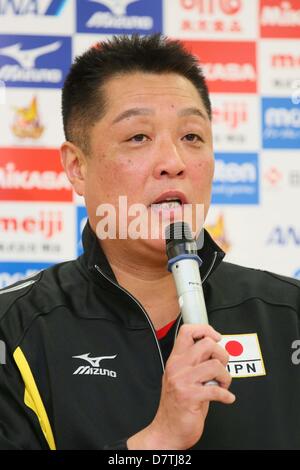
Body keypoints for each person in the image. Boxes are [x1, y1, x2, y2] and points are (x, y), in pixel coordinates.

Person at [0, 34, 299, 451]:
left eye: (192, 137)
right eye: (139, 137)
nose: (173, 163)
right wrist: (158, 441)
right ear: (76, 166)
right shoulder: (14, 329)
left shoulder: (289, 315)